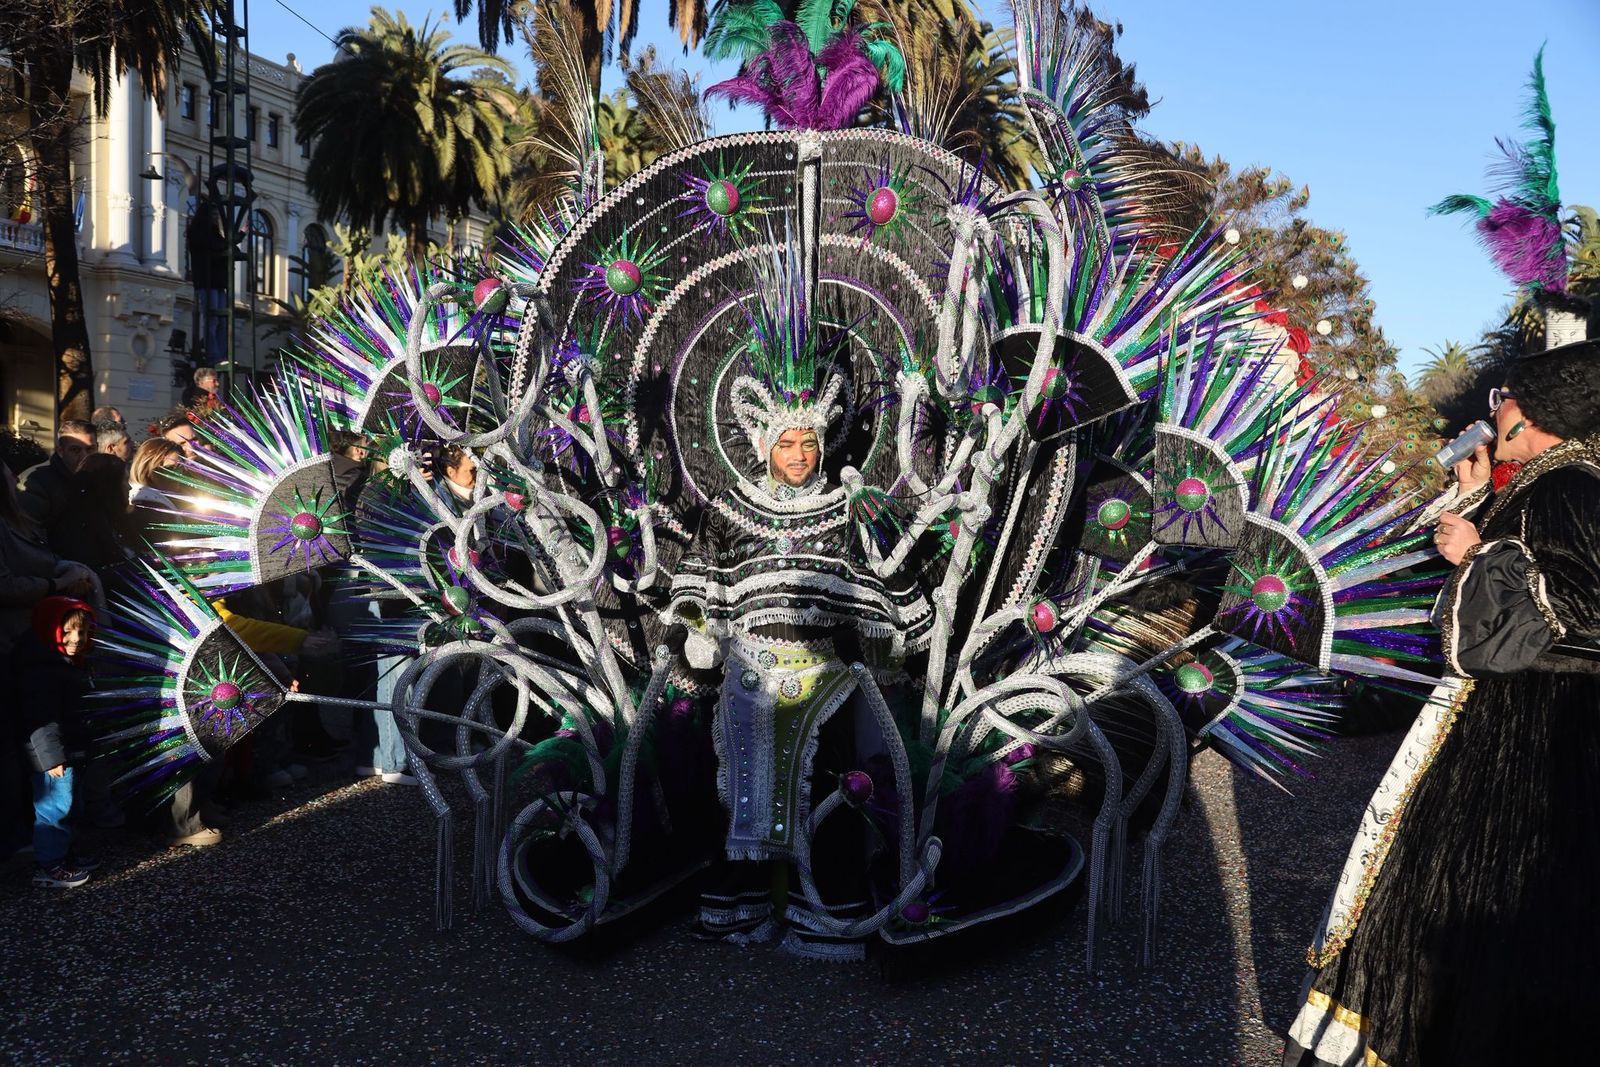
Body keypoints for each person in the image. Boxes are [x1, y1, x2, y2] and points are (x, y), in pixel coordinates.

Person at [1285, 335, 1600, 1066]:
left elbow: (1577, 607)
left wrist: (1478, 552)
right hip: (1495, 730)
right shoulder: (1540, 482)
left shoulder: (1572, 488)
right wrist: (1474, 508)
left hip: (1528, 741)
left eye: (1505, 397)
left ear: (1538, 411)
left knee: (1464, 909)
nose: (1496, 408)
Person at [668, 370, 924, 958]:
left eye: (809, 443)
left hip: (823, 678)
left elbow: (874, 585)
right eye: (787, 444)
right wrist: (703, 625)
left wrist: (891, 635)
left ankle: (824, 909)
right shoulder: (732, 509)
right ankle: (740, 903)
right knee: (737, 792)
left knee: (830, 791)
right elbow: (704, 580)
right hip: (746, 679)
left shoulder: (843, 511)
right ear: (763, 446)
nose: (800, 456)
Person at [11, 596, 98, 888]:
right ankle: (49, 865)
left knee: (69, 806)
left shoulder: (66, 664)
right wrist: (51, 759)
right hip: (53, 758)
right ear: (52, 630)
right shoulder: (42, 671)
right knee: (53, 810)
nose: (77, 639)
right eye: (69, 631)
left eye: (83, 633)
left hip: (70, 749)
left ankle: (63, 856)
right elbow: (41, 720)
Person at [50, 453, 134, 574]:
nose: (129, 487)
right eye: (125, 480)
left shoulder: (114, 519)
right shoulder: (81, 528)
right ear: (111, 486)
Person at [15, 420, 96, 540]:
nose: (85, 456)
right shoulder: (35, 482)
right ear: (60, 451)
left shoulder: (98, 477)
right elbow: (26, 535)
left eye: (90, 449)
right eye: (75, 450)